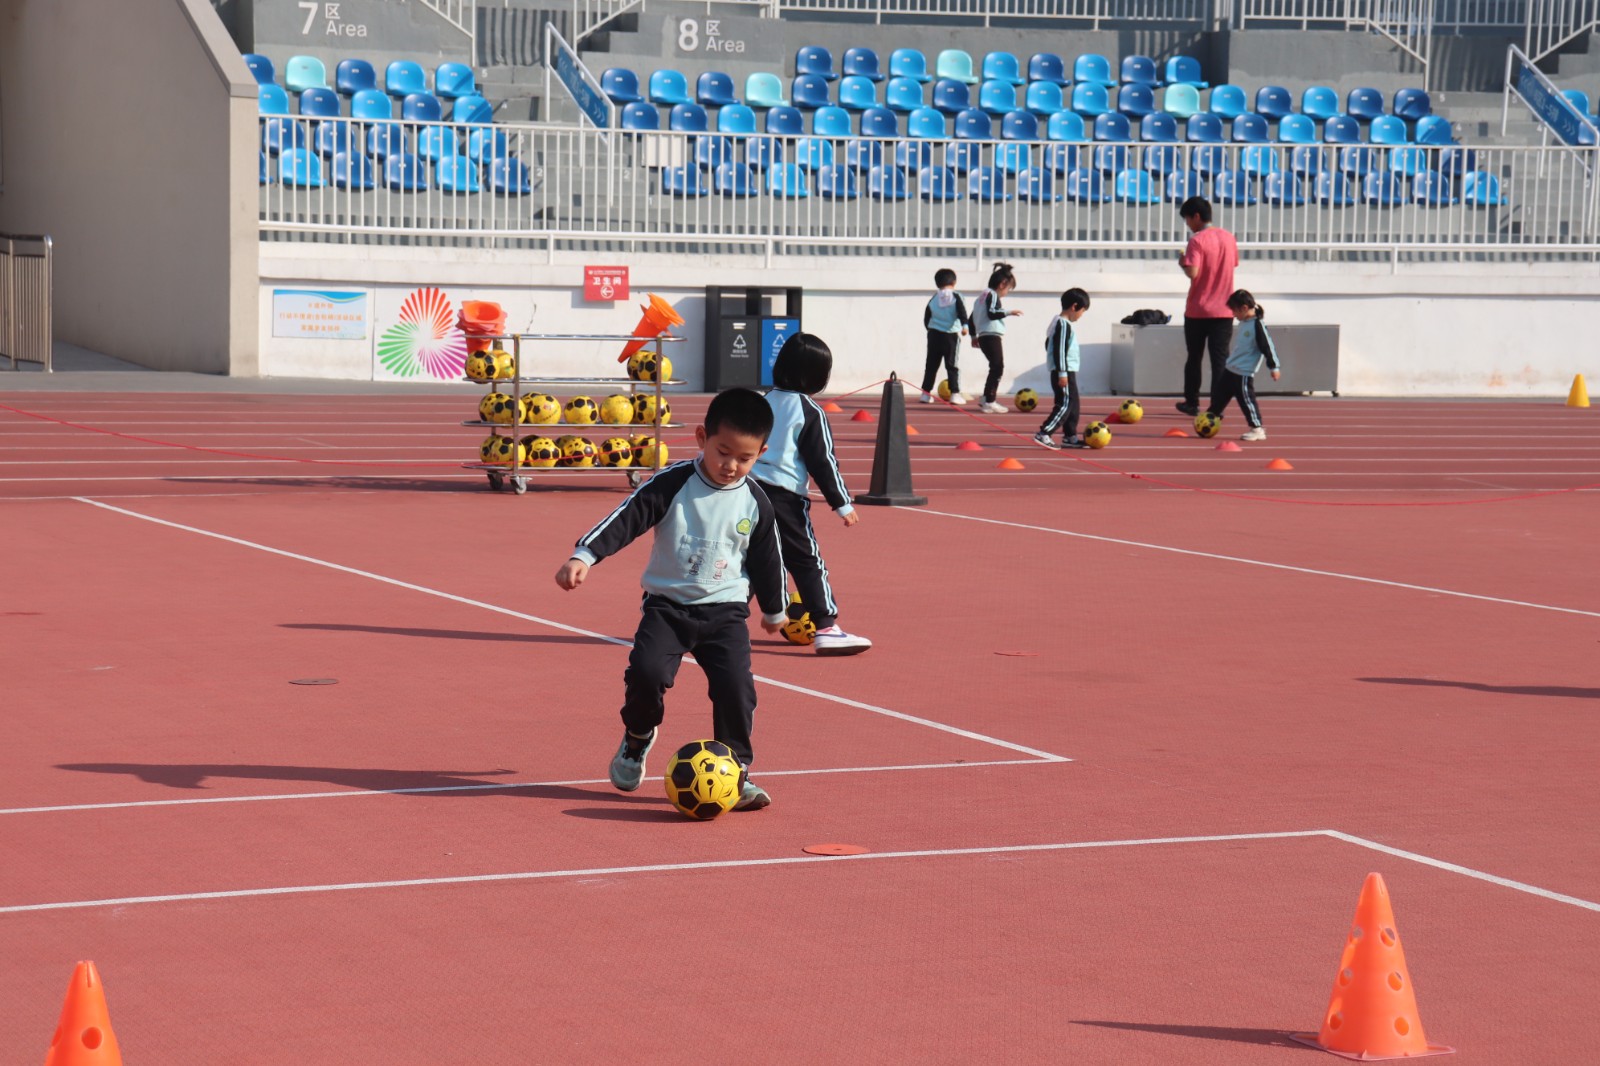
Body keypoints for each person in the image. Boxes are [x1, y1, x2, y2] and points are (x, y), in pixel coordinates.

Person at [554, 387, 787, 812]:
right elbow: (627, 517)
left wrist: (774, 609)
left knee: (736, 689)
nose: (731, 466)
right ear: (701, 438)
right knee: (646, 674)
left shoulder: (755, 502)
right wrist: (584, 555)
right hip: (667, 608)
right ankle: (638, 736)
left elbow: (768, 559)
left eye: (744, 458)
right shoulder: (673, 483)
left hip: (726, 613)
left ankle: (736, 770)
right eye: (723, 452)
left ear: (761, 454)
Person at [752, 332, 872, 657]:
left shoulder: (762, 401)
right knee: (807, 561)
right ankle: (827, 628)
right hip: (785, 498)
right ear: (816, 376)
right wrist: (841, 503)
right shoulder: (809, 411)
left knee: (750, 560)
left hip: (747, 491)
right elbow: (823, 462)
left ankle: (712, 623)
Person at [1176, 196, 1239, 417]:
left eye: (1187, 219)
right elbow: (1233, 264)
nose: (1187, 224)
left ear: (1196, 216)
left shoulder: (1197, 240)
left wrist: (1183, 262)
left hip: (1199, 308)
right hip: (1225, 309)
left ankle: (1192, 402)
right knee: (1220, 360)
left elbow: (1193, 272)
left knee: (1194, 357)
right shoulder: (1229, 238)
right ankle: (1217, 407)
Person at [1206, 289, 1280, 441]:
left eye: (1234, 311)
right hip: (1230, 369)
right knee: (1219, 397)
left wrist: (1274, 367)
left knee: (1246, 401)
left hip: (1243, 373)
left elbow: (1268, 347)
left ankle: (1257, 428)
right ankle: (1208, 419)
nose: (1233, 315)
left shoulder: (1257, 325)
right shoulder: (1245, 323)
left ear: (1244, 308)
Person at [1032, 288, 1092, 450]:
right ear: (1074, 307)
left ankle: (1070, 436)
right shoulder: (1063, 325)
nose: (1081, 315)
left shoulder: (1058, 323)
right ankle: (1044, 433)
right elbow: (1059, 350)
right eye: (1082, 311)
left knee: (1073, 404)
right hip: (1063, 372)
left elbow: (1048, 345)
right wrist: (1062, 372)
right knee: (1064, 404)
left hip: (1067, 370)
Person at [970, 262, 1023, 414]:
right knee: (998, 367)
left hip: (984, 335)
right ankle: (990, 401)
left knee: (994, 367)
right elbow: (993, 312)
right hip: (991, 335)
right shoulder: (992, 295)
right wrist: (1009, 312)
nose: (1007, 293)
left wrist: (974, 336)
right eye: (1008, 289)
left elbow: (971, 318)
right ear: (1002, 284)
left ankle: (986, 397)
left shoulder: (980, 298)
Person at [921, 267, 971, 404]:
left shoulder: (935, 297)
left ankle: (925, 393)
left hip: (933, 334)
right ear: (954, 282)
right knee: (952, 365)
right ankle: (955, 393)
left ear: (937, 283)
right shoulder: (956, 296)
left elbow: (927, 315)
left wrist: (930, 329)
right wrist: (965, 326)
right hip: (950, 335)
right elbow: (962, 311)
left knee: (931, 365)